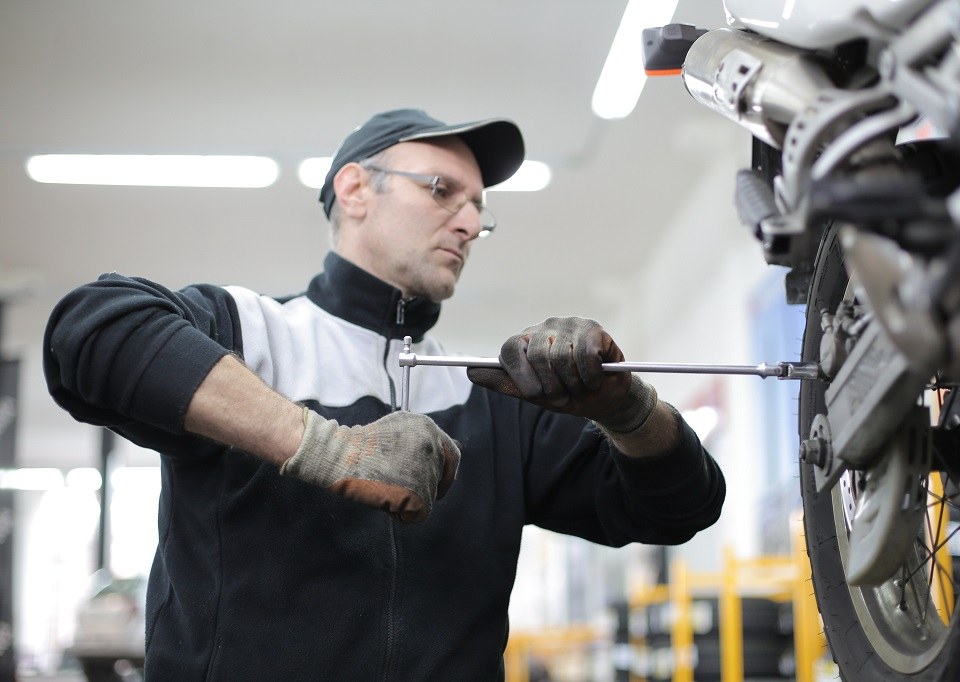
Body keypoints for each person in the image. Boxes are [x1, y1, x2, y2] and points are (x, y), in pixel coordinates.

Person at [43, 108, 725, 680]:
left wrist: (626, 409)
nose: (467, 222)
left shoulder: (486, 395)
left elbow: (680, 507)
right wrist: (327, 449)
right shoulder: (251, 334)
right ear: (355, 189)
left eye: (478, 210)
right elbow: (90, 332)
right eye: (441, 190)